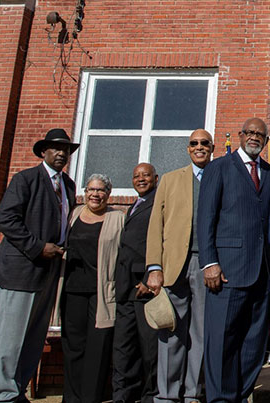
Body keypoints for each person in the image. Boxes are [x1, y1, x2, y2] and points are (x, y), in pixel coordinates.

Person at [0, 128, 77, 403]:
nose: (61, 153)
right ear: (43, 152)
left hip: (49, 272)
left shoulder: (69, 185)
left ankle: (17, 392)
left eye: (66, 149)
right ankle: (4, 395)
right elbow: (5, 220)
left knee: (34, 337)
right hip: (21, 269)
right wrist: (38, 247)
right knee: (12, 336)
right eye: (55, 148)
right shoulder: (25, 179)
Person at [198, 118, 270, 403]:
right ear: (241, 135)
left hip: (262, 272)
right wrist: (209, 263)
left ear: (266, 141)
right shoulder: (218, 168)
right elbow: (206, 218)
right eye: (250, 133)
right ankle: (220, 398)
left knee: (254, 342)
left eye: (260, 134)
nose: (255, 137)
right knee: (222, 339)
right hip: (227, 270)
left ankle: (240, 394)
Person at [146, 130, 213, 403]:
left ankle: (192, 392)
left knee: (200, 331)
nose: (199, 148)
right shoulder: (171, 180)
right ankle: (167, 395)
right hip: (173, 265)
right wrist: (154, 267)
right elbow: (155, 226)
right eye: (194, 144)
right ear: (188, 149)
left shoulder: (218, 176)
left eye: (204, 144)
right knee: (171, 329)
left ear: (212, 147)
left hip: (206, 264)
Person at [61, 173, 125, 403]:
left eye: (100, 190)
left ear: (108, 194)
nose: (95, 194)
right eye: (91, 190)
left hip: (102, 292)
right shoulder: (73, 214)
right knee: (73, 346)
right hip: (72, 289)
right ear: (85, 192)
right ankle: (71, 397)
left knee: (98, 348)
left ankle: (90, 397)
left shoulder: (117, 218)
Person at [113, 163, 160, 403]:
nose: (141, 179)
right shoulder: (134, 205)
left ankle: (149, 396)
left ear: (156, 178)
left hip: (145, 288)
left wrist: (148, 279)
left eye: (145, 175)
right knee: (123, 348)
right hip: (124, 289)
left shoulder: (158, 204)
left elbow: (161, 242)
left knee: (149, 348)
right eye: (136, 176)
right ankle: (123, 395)